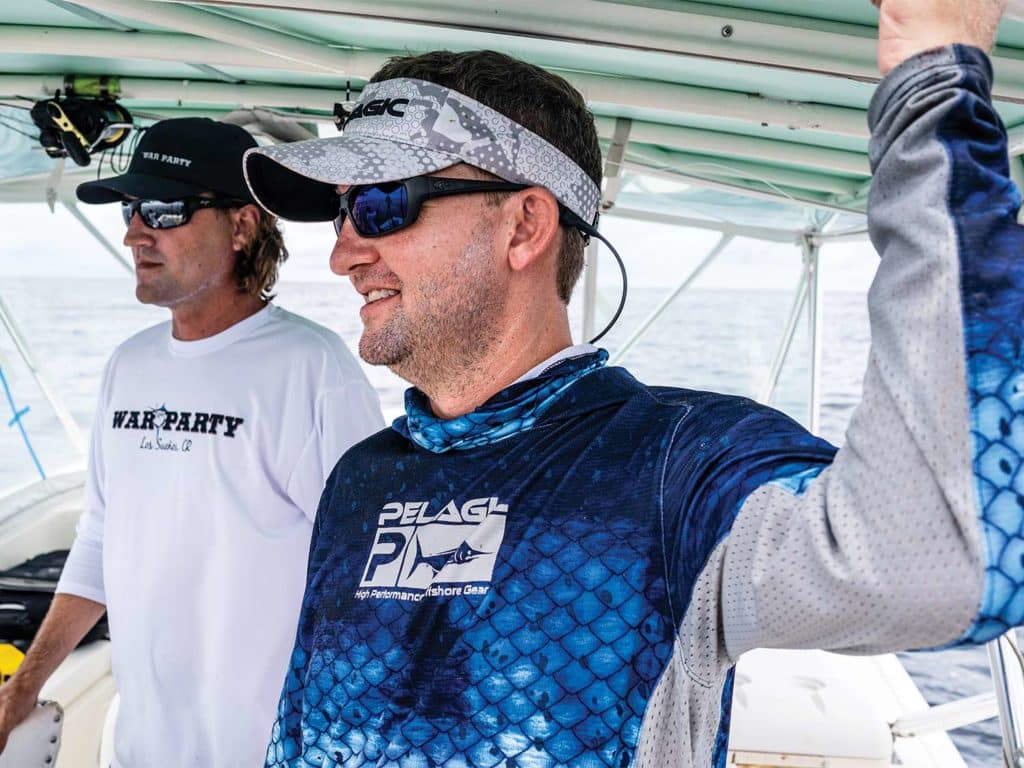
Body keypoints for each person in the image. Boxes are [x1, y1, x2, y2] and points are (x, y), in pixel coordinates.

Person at [241, 0, 1017, 765]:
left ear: (525, 227)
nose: (344, 255)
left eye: (379, 207)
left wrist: (933, 77)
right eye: (340, 215)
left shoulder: (680, 470)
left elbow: (946, 558)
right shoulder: (360, 479)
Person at [0, 118, 384, 766]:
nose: (133, 231)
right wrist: (22, 688)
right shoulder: (128, 367)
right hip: (140, 748)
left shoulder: (312, 372)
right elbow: (97, 539)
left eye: (163, 208)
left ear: (242, 226)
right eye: (131, 208)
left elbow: (366, 581)